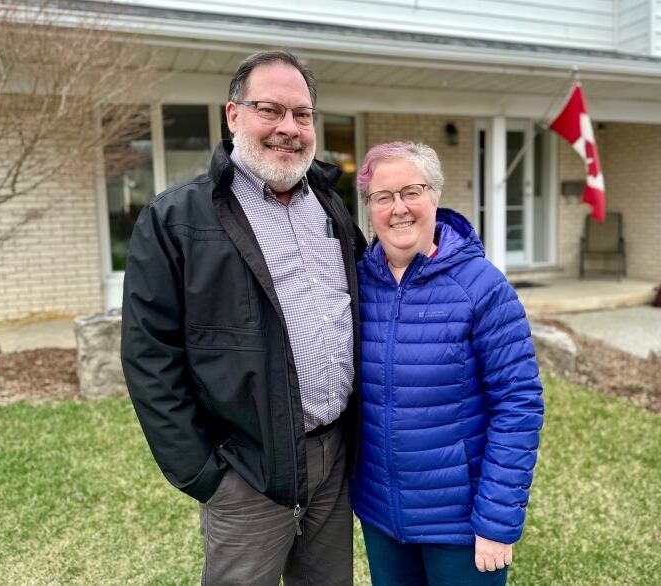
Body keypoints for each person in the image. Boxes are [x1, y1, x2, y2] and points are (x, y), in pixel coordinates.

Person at [120, 50, 366, 586]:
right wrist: (206, 476)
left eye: (302, 114)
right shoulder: (176, 219)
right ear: (233, 116)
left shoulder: (330, 207)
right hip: (248, 472)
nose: (289, 128)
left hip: (333, 461)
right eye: (270, 110)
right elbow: (149, 356)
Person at [351, 142, 544, 585]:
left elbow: (519, 406)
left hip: (460, 526)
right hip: (383, 516)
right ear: (370, 209)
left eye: (411, 191)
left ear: (435, 196)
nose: (398, 208)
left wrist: (496, 523)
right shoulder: (358, 284)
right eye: (383, 197)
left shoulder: (482, 287)